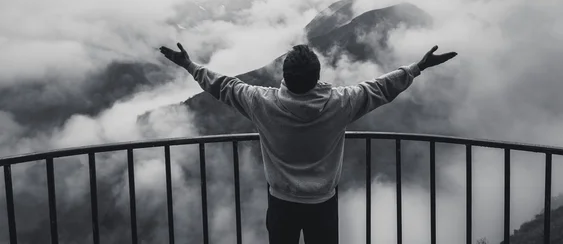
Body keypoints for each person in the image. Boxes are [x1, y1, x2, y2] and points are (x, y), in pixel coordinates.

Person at [159, 42, 457, 244]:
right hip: (323, 204)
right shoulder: (342, 103)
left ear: (285, 78)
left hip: (281, 202)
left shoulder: (260, 102)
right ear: (317, 77)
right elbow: (380, 88)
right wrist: (417, 67)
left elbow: (222, 85)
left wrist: (187, 64)